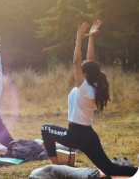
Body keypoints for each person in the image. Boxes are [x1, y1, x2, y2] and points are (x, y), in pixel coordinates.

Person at [41, 21, 138, 177]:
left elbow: (76, 62)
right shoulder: (93, 85)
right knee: (110, 169)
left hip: (76, 135)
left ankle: (56, 169)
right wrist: (91, 38)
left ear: (84, 75)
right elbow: (90, 61)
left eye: (82, 70)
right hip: (89, 136)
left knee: (45, 129)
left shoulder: (85, 89)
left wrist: (79, 39)